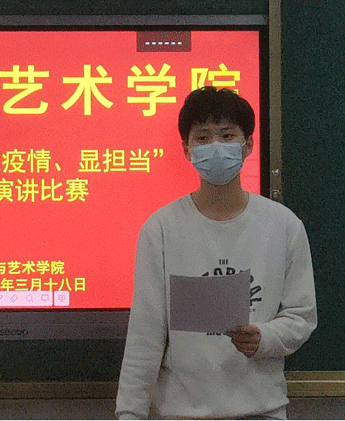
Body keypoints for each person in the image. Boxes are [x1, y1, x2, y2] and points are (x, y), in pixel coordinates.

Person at [115, 86, 317, 420]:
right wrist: (130, 413)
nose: (216, 147)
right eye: (203, 137)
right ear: (187, 149)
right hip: (181, 413)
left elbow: (301, 316)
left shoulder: (284, 225)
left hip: (262, 409)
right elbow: (145, 335)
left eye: (227, 135)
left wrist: (265, 337)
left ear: (248, 144)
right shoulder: (161, 229)